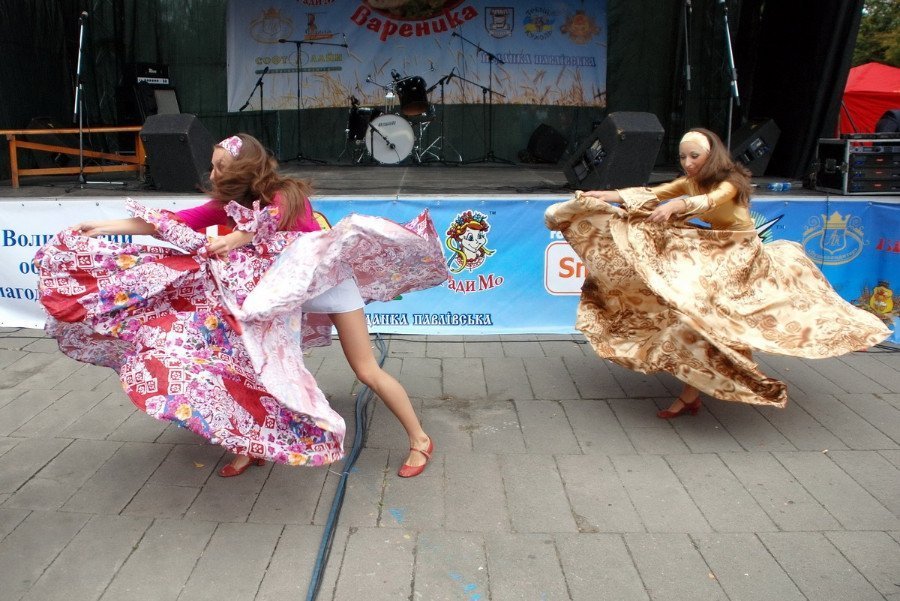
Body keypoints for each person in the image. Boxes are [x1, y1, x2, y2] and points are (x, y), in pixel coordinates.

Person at [38, 133, 444, 478]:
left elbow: (272, 219)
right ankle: (252, 446)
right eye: (213, 166)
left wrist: (236, 238)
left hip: (331, 287)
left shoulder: (287, 195)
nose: (212, 174)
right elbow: (172, 221)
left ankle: (419, 439)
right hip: (282, 297)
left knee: (366, 370)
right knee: (252, 366)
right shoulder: (227, 206)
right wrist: (102, 226)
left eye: (220, 167)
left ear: (244, 169)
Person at [546, 128, 890, 418]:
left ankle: (719, 381)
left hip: (743, 255)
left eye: (694, 156)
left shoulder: (731, 181)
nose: (687, 163)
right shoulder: (689, 181)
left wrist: (678, 205)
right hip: (717, 251)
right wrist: (605, 195)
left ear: (711, 155)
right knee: (695, 316)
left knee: (719, 318)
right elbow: (652, 193)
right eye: (683, 157)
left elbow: (710, 201)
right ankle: (694, 392)